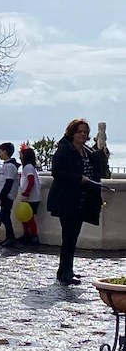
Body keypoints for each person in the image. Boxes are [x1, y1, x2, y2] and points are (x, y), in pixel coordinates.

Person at [47, 118, 102, 286]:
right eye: (80, 132)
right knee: (69, 236)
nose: (83, 135)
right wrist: (78, 178)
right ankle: (66, 271)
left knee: (72, 236)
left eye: (85, 132)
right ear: (72, 133)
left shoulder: (87, 151)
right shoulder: (64, 150)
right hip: (67, 200)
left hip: (82, 200)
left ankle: (65, 269)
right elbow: (57, 172)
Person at [0, 142, 19, 248]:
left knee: (4, 217)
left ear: (5, 151)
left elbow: (8, 183)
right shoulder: (6, 165)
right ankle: (8, 237)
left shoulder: (10, 166)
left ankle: (11, 238)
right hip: (4, 194)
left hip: (7, 196)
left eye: (0, 151)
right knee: (4, 216)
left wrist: (2, 196)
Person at [18, 146, 42, 246]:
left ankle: (33, 236)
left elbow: (31, 180)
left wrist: (27, 192)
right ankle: (28, 234)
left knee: (29, 217)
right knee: (26, 217)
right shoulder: (29, 167)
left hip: (31, 197)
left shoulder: (28, 167)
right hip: (31, 196)